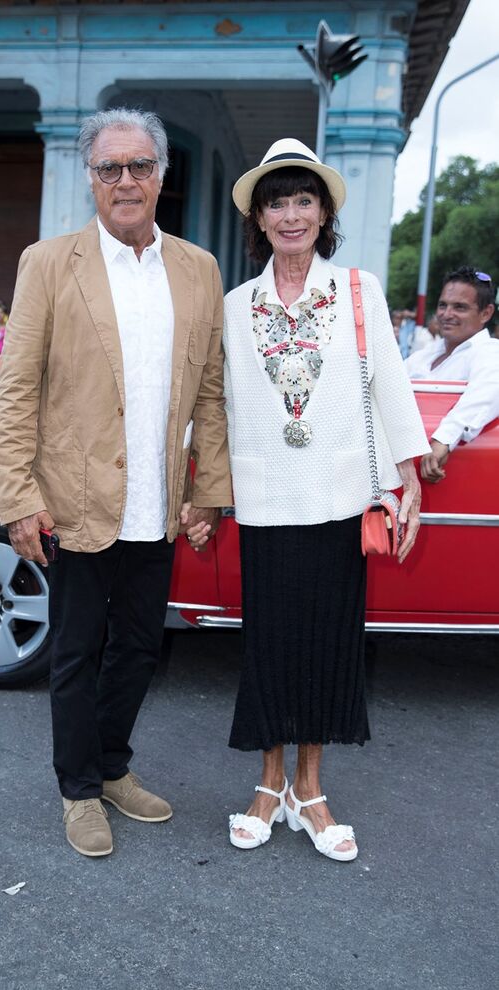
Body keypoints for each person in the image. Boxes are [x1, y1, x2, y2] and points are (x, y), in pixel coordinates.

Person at [0, 108, 232, 858]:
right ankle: (78, 790)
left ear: (162, 174)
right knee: (75, 651)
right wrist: (18, 495)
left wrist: (208, 490)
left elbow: (211, 393)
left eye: (140, 166)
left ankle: (113, 765)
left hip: (157, 504)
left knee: (138, 649)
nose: (126, 181)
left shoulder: (198, 268)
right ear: (90, 179)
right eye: (109, 168)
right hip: (76, 499)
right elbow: (15, 390)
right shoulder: (48, 262)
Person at [220, 139, 429, 862]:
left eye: (303, 199)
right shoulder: (234, 305)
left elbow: (390, 387)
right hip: (265, 498)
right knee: (271, 648)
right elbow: (215, 405)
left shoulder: (359, 293)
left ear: (323, 211)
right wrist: (199, 487)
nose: (290, 214)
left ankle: (310, 790)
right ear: (259, 215)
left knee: (328, 650)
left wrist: (411, 484)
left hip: (342, 500)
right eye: (276, 200)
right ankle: (267, 784)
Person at [404, 267, 498, 484]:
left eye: (460, 307)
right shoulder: (422, 356)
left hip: (458, 476)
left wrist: (443, 439)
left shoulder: (490, 352)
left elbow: (486, 394)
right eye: (443, 305)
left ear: (486, 313)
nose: (447, 314)